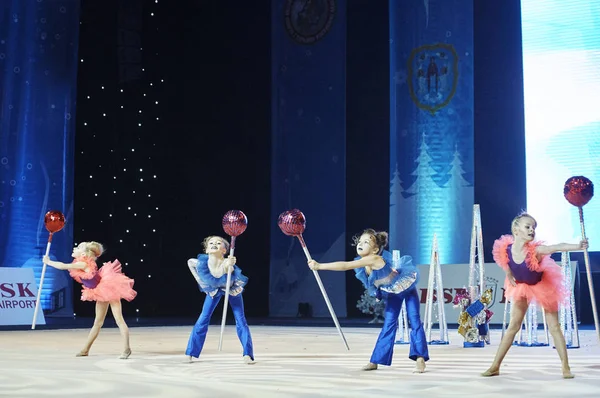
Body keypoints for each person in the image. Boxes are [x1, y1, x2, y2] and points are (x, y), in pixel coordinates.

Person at [482, 212, 588, 378]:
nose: (532, 230)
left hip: (543, 286)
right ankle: (495, 366)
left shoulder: (536, 251)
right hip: (522, 286)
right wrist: (509, 274)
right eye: (528, 226)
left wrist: (577, 246)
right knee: (513, 327)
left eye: (534, 227)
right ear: (516, 231)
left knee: (554, 326)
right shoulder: (505, 248)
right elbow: (503, 261)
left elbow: (555, 247)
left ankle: (565, 367)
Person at [308, 228, 429, 372]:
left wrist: (320, 266)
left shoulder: (375, 259)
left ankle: (420, 358)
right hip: (392, 294)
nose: (361, 244)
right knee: (389, 324)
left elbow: (345, 265)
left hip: (406, 288)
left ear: (375, 249)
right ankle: (375, 360)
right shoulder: (362, 264)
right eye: (360, 241)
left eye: (366, 242)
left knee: (414, 319)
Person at [43, 241, 136, 359]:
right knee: (98, 322)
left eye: (78, 248)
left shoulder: (83, 264)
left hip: (109, 287)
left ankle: (126, 348)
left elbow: (63, 266)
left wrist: (48, 262)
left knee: (119, 319)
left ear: (83, 254)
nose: (74, 248)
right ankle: (85, 349)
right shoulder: (81, 263)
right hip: (100, 290)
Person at [185, 235, 254, 364]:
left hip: (231, 288)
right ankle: (191, 352)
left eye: (219, 243)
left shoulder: (228, 262)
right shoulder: (201, 263)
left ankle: (247, 354)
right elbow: (190, 262)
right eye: (211, 243)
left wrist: (229, 265)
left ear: (224, 250)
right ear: (206, 250)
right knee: (203, 318)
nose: (214, 244)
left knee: (240, 319)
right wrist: (200, 281)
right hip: (213, 290)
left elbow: (226, 272)